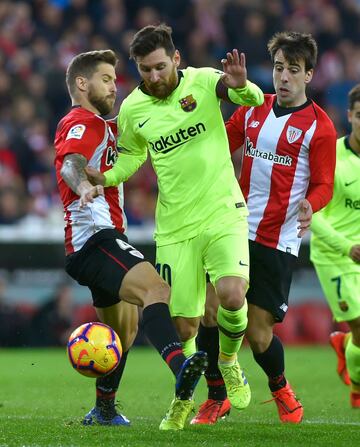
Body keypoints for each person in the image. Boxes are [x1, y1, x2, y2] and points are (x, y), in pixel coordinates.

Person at [85, 24, 264, 429]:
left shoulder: (202, 82)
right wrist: (108, 178)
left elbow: (244, 98)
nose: (154, 77)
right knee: (183, 325)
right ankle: (183, 398)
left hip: (223, 211)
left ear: (177, 59)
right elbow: (132, 156)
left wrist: (243, 86)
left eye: (161, 67)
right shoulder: (132, 109)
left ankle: (231, 362)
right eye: (146, 70)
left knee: (233, 295)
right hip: (175, 226)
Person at [54, 49, 208, 430]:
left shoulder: (104, 125)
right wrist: (82, 187)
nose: (113, 86)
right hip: (96, 239)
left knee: (123, 332)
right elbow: (70, 163)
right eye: (106, 79)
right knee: (157, 290)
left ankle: (104, 409)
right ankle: (180, 366)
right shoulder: (81, 121)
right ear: (81, 83)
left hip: (95, 242)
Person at [192, 31, 337, 425]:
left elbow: (324, 182)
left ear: (309, 74)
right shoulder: (253, 108)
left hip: (277, 238)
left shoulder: (319, 127)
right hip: (232, 225)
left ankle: (279, 387)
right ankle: (216, 396)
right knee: (208, 311)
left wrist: (312, 203)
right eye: (278, 68)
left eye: (293, 70)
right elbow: (222, 142)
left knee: (258, 335)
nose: (283, 77)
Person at [310, 83, 360, 409]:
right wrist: (346, 247)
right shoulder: (333, 157)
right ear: (350, 116)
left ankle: (353, 370)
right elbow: (310, 213)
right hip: (334, 256)